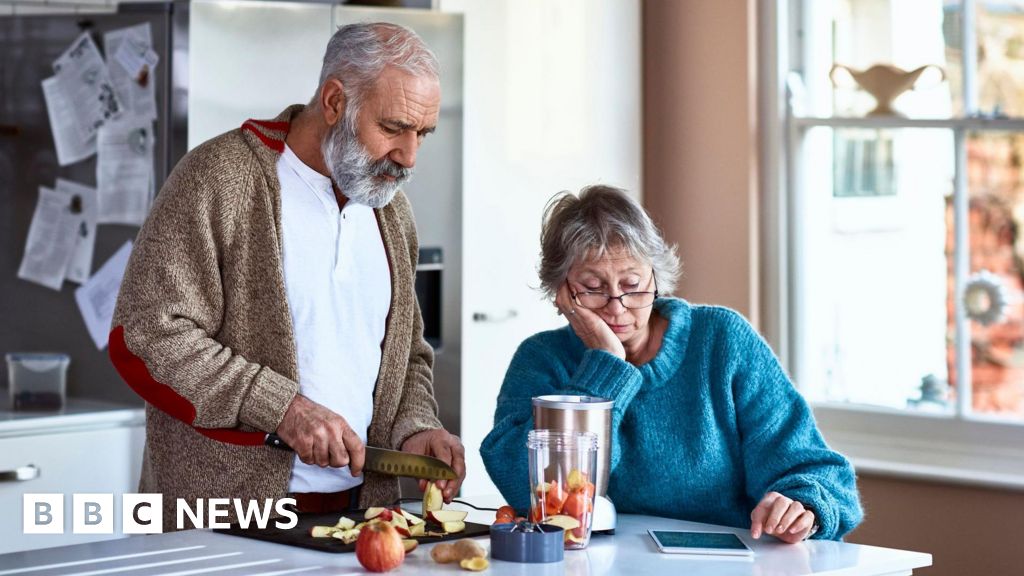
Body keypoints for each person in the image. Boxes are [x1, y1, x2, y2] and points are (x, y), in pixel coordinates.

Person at [110, 22, 465, 530]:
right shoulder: (219, 178)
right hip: (221, 522)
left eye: (422, 134)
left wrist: (416, 428)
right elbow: (145, 336)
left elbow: (405, 356)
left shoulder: (391, 211)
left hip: (362, 523)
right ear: (335, 102)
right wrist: (283, 409)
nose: (409, 156)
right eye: (392, 128)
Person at [481, 185, 862, 542]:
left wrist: (802, 505)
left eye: (632, 285)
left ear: (656, 278)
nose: (617, 306)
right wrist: (605, 365)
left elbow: (817, 471)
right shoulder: (541, 359)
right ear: (561, 291)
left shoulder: (721, 340)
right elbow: (529, 491)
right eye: (593, 288)